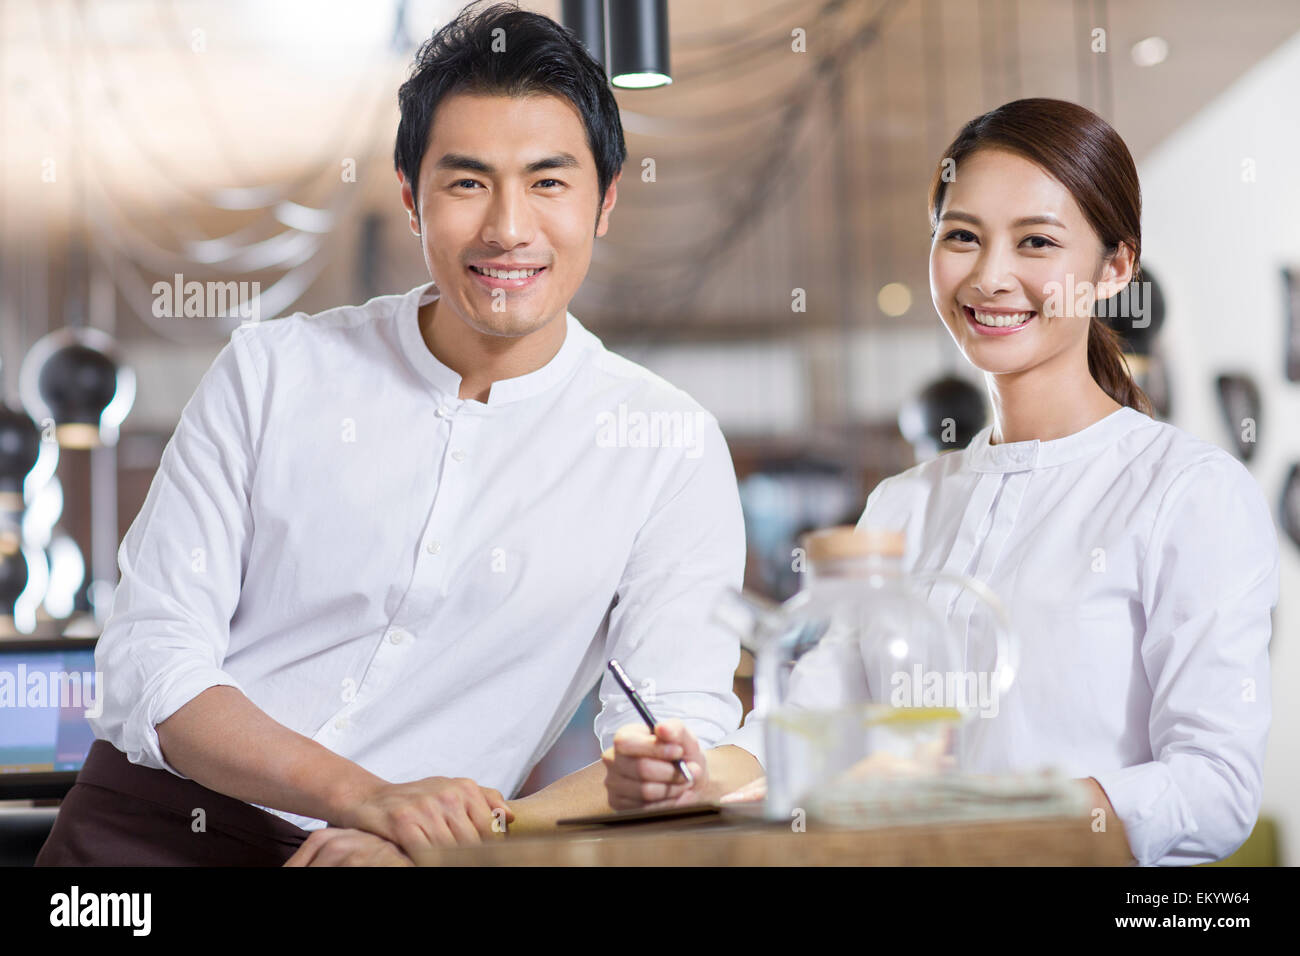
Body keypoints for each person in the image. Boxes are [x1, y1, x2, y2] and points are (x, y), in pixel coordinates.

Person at [37, 1, 753, 867]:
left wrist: (463, 842)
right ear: (412, 201)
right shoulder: (272, 371)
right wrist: (365, 797)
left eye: (549, 181)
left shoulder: (667, 448)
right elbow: (152, 657)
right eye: (467, 182)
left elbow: (680, 743)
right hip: (145, 835)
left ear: (604, 202)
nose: (508, 228)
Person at [606, 98, 1279, 868]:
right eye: (961, 236)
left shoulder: (1190, 493)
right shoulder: (901, 505)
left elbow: (1215, 788)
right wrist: (688, 774)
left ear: (1114, 269)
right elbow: (810, 726)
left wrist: (981, 825)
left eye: (1037, 242)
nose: (991, 277)